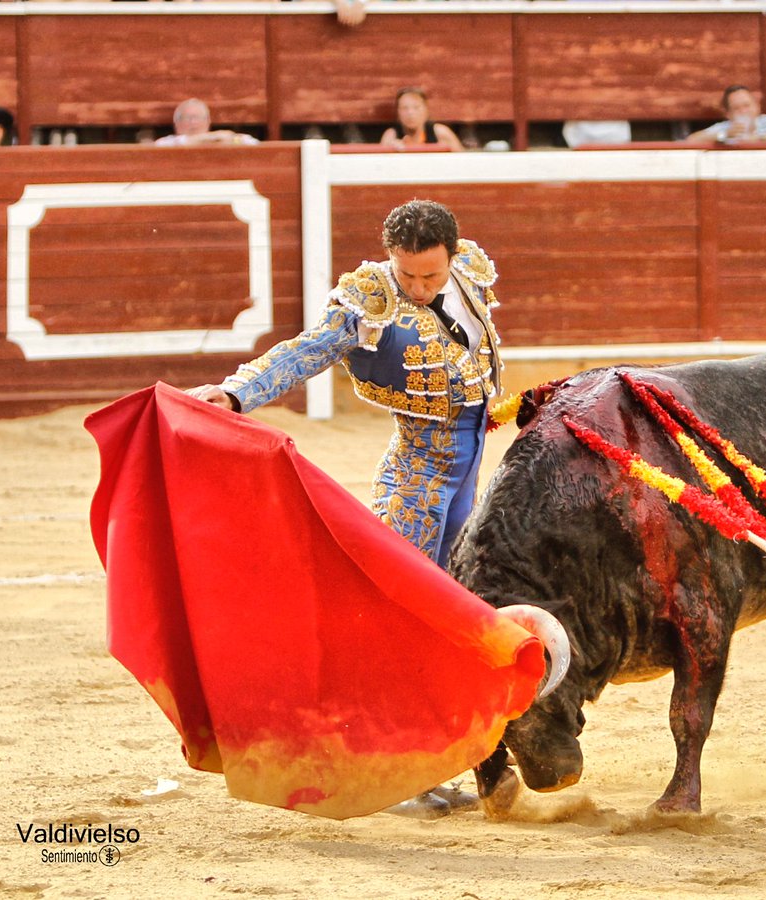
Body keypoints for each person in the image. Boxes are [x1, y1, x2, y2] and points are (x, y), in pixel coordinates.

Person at [188, 200, 501, 817]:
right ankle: (381, 769)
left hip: (465, 480)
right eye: (407, 274)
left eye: (430, 276)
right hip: (416, 481)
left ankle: (436, 759)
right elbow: (306, 351)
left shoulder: (468, 272)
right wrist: (236, 392)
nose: (418, 288)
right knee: (394, 623)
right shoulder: (368, 301)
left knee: (453, 616)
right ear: (390, 259)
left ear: (451, 255)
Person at [685, 85, 766, 145]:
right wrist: (724, 135)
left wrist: (759, 138)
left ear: (757, 107)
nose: (743, 111)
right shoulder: (727, 128)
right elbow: (692, 139)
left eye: (747, 105)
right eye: (736, 108)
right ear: (728, 114)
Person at [380, 88, 464, 151]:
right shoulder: (391, 136)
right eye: (404, 108)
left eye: (416, 107)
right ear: (398, 112)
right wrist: (391, 150)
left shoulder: (440, 133)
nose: (410, 113)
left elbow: (463, 161)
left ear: (426, 110)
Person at [155, 98, 259, 147]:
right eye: (188, 118)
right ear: (176, 123)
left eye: (199, 118)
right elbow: (175, 143)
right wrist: (209, 138)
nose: (194, 123)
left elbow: (251, 143)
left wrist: (233, 139)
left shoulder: (219, 139)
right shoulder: (166, 142)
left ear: (208, 122)